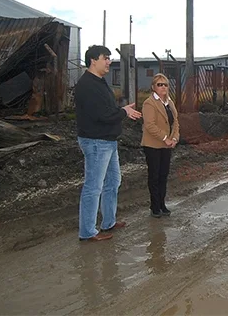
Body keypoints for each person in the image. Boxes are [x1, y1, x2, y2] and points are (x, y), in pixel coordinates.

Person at [75, 45, 142, 241]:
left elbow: (106, 108)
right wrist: (124, 112)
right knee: (93, 186)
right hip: (96, 142)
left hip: (107, 141)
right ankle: (87, 232)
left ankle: (108, 222)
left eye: (110, 58)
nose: (109, 61)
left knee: (113, 181)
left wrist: (121, 109)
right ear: (93, 60)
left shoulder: (99, 82)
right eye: (106, 57)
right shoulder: (87, 85)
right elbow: (102, 115)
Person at [140, 73, 180, 218]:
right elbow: (149, 125)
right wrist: (165, 138)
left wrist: (175, 137)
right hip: (153, 144)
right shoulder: (149, 103)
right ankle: (155, 206)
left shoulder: (170, 102)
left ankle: (162, 204)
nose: (163, 87)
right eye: (159, 84)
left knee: (163, 175)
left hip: (167, 144)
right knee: (154, 175)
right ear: (153, 87)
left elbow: (175, 121)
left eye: (165, 84)